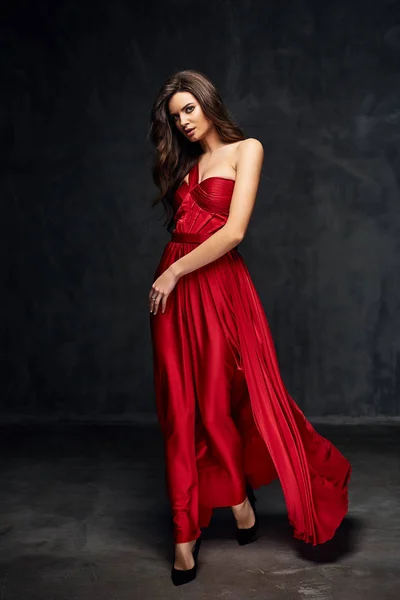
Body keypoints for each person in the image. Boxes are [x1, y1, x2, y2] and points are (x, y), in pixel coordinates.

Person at [148, 69, 351, 586]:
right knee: (177, 410)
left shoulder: (246, 150)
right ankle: (183, 534)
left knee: (217, 406)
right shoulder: (186, 163)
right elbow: (182, 228)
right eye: (176, 117)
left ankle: (238, 500)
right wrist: (169, 274)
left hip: (213, 288)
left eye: (189, 109)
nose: (184, 123)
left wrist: (174, 272)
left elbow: (234, 232)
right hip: (172, 296)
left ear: (208, 103)